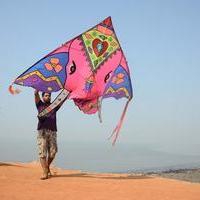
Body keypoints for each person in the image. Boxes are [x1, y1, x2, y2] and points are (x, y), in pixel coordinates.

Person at [34, 90, 61, 180]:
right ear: (43, 97)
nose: (48, 97)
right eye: (46, 95)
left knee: (53, 152)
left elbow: (62, 100)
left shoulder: (54, 106)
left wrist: (68, 92)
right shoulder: (40, 105)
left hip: (52, 131)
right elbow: (36, 94)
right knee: (42, 152)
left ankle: (47, 167)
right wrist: (36, 90)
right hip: (42, 131)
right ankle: (45, 172)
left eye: (49, 95)